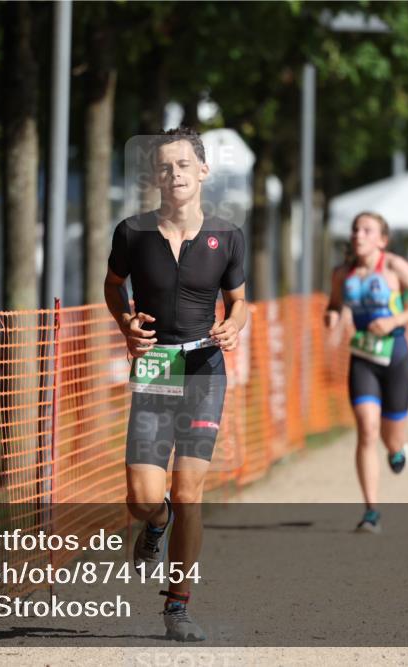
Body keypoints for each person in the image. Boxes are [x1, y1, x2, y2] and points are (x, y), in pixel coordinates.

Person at [104, 126, 247, 641]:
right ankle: (155, 523)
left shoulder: (227, 235)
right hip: (157, 366)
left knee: (189, 491)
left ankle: (179, 605)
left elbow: (239, 299)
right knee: (143, 497)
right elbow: (113, 286)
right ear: (155, 176)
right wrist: (126, 324)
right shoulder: (132, 233)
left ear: (202, 171)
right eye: (165, 166)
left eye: (184, 165)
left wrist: (234, 324)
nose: (175, 174)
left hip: (204, 366)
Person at [325, 212, 408, 533]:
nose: (358, 235)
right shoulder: (341, 273)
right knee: (366, 428)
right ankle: (371, 509)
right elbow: (333, 305)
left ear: (382, 239)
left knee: (391, 439)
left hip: (396, 358)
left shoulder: (393, 266)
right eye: (355, 229)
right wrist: (332, 316)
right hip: (362, 359)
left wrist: (394, 320)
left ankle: (397, 449)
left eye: (367, 230)